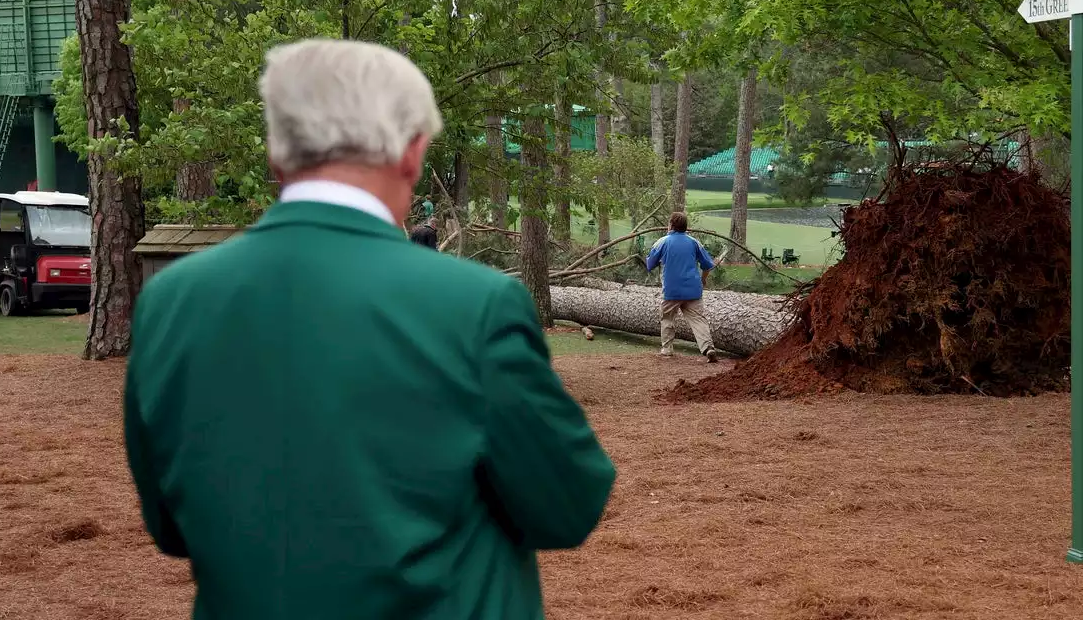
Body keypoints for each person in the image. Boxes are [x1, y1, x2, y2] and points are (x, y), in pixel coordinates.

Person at [124, 39, 615, 620]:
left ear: (278, 158)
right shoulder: (474, 304)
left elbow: (171, 526)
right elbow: (567, 504)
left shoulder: (170, 301)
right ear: (412, 152)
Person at [645, 211, 718, 362]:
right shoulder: (694, 242)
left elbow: (649, 265)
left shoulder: (662, 242)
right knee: (698, 320)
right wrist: (703, 280)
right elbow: (708, 265)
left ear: (670, 225)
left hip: (671, 291)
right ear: (685, 227)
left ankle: (667, 349)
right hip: (693, 289)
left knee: (667, 319)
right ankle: (708, 348)